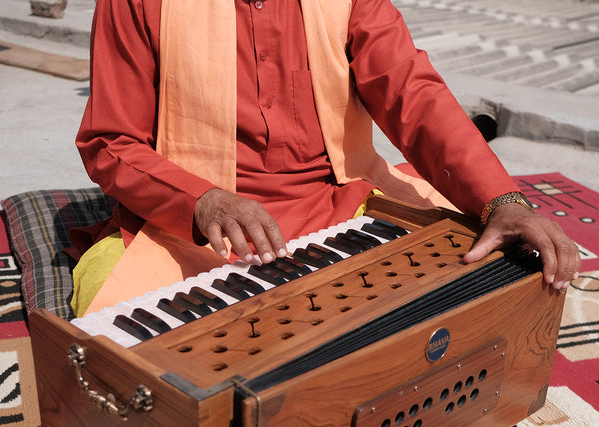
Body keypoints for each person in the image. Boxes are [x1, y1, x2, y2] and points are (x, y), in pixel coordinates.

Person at [72, 0, 580, 317]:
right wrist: (201, 201)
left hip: (341, 204)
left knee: (478, 283)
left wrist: (502, 200)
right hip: (193, 227)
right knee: (114, 329)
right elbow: (110, 140)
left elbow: (412, 94)